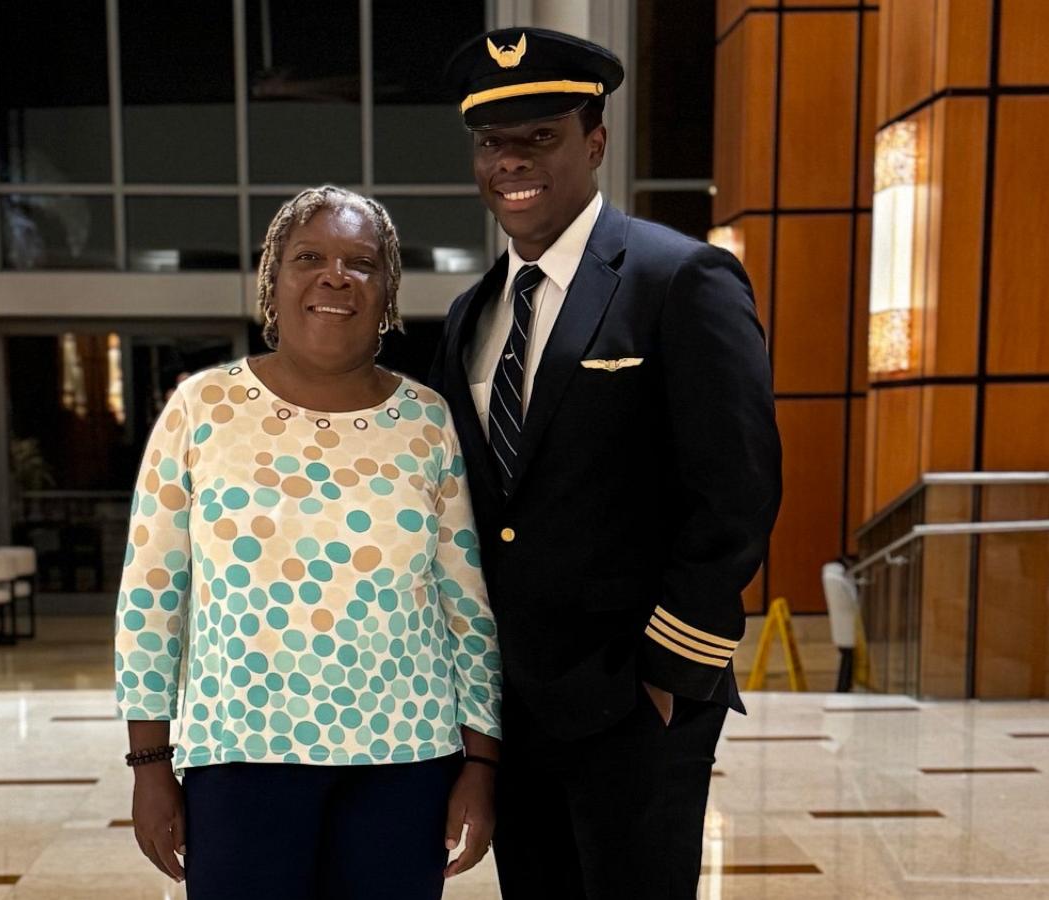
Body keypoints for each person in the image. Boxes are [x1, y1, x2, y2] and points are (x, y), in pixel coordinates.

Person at [430, 28, 783, 899]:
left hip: (636, 699)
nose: (510, 161)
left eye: (538, 137)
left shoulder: (679, 278)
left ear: (594, 141)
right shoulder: (472, 313)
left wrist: (669, 671)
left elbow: (737, 488)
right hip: (514, 703)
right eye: (491, 143)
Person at [115, 186, 502, 900]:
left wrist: (480, 765)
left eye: (362, 262)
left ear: (386, 292)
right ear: (273, 279)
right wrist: (148, 764)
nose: (336, 276)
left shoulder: (426, 421)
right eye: (309, 258)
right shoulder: (203, 409)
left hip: (405, 762)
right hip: (238, 759)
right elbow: (150, 594)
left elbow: (465, 607)